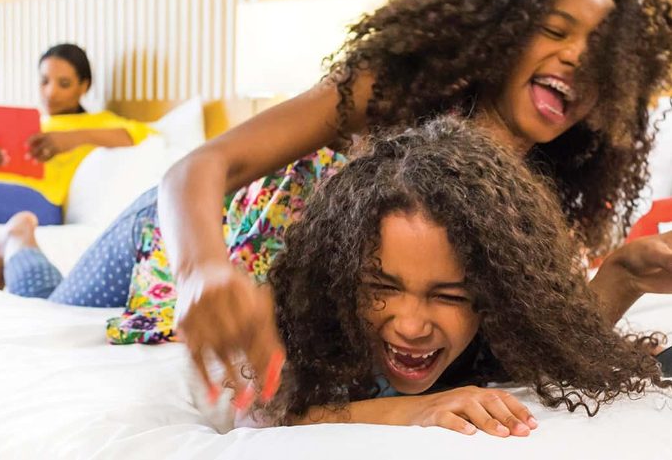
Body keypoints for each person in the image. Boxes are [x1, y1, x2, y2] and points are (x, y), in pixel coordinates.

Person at [0, 0, 672, 392]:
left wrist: (624, 274)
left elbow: (522, 344)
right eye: (554, 31)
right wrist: (202, 269)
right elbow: (199, 167)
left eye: (601, 52)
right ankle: (18, 237)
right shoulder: (391, 92)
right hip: (187, 237)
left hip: (286, 318)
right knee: (54, 303)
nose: (578, 56)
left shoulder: (539, 194)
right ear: (502, 31)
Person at [247, 118, 671, 436]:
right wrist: (415, 410)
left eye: (448, 296)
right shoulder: (307, 324)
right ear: (340, 276)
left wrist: (625, 274)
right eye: (382, 287)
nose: (411, 326)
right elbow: (275, 412)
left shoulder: (497, 327)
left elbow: (557, 345)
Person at [0, 43, 151, 230]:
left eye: (64, 83)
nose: (51, 92)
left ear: (84, 86)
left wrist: (69, 139)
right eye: (44, 81)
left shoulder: (98, 123)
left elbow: (138, 135)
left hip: (39, 203)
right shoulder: (27, 123)